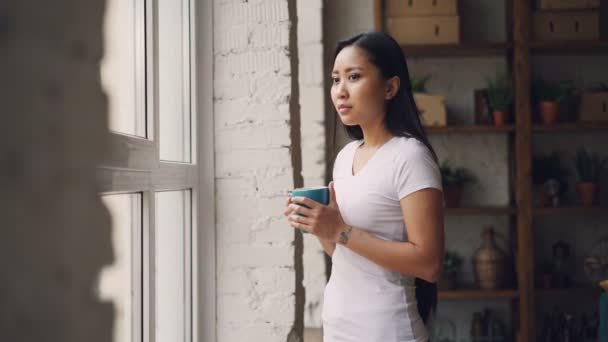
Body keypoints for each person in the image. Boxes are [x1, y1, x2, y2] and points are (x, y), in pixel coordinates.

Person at [283, 31, 444, 342]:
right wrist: (320, 226)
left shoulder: (411, 157)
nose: (340, 91)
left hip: (388, 330)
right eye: (335, 79)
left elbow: (429, 263)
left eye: (353, 77)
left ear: (390, 87)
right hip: (339, 326)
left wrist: (340, 229)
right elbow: (345, 254)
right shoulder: (345, 157)